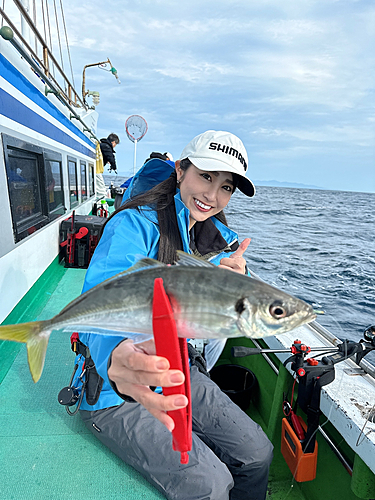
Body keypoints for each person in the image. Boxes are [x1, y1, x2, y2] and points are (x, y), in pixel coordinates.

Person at [75, 130, 273, 500]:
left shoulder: (214, 239)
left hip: (179, 369)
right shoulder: (133, 225)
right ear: (181, 170)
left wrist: (236, 279)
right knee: (210, 484)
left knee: (258, 454)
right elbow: (104, 294)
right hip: (114, 391)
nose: (213, 196)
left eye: (226, 187)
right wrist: (115, 353)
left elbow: (218, 299)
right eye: (206, 177)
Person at [96, 133, 120, 198]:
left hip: (95, 169)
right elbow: (110, 156)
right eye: (115, 144)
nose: (115, 146)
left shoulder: (102, 145)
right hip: (96, 170)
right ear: (113, 142)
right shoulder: (106, 146)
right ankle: (102, 201)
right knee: (101, 190)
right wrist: (114, 167)